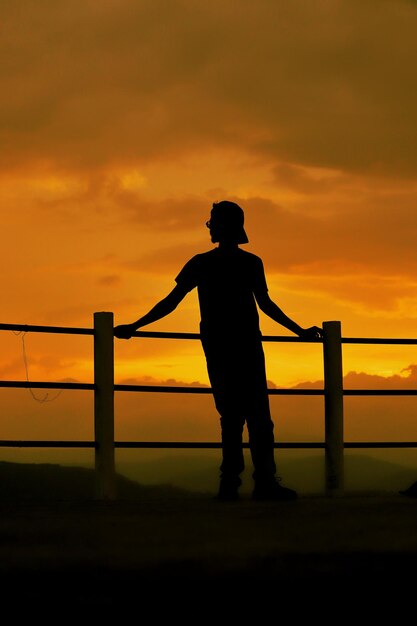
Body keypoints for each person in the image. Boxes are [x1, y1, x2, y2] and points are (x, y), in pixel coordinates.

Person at [114, 201, 322, 501]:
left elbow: (170, 302)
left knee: (231, 416)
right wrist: (299, 331)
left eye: (212, 221)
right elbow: (265, 305)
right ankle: (262, 482)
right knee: (259, 418)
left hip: (218, 345)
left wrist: (135, 326)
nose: (209, 226)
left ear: (219, 226)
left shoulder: (201, 263)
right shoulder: (251, 263)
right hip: (248, 344)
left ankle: (231, 484)